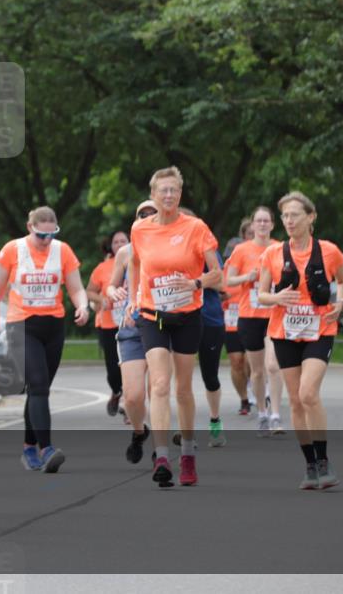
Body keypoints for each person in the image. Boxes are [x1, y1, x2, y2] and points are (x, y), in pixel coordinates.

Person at [127, 166, 221, 488]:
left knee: (182, 388)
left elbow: (217, 275)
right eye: (163, 191)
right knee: (160, 384)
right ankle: (163, 456)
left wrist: (195, 282)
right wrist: (135, 296)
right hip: (152, 315)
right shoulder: (140, 230)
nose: (168, 196)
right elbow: (136, 262)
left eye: (174, 190)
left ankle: (189, 454)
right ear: (153, 195)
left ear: (180, 194)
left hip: (187, 316)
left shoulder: (196, 228)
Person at [0, 206, 89, 473]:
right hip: (22, 326)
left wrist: (83, 306)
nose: (46, 240)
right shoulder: (12, 250)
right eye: (41, 235)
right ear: (30, 228)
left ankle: (29, 447)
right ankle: (46, 448)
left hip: (53, 326)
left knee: (40, 389)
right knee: (37, 384)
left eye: (52, 234)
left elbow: (75, 287)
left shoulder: (62, 251)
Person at [257, 191, 343, 490]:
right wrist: (277, 296)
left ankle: (324, 461)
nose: (288, 220)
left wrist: (341, 302)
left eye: (294, 214)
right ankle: (310, 464)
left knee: (309, 393)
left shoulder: (330, 252)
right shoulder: (272, 254)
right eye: (284, 215)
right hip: (285, 332)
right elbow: (261, 294)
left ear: (311, 217)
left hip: (320, 330)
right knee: (296, 400)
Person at [228, 206, 285, 436]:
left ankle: (276, 415)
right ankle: (262, 412)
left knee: (274, 366)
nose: (262, 225)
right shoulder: (241, 250)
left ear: (272, 225)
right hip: (250, 316)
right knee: (258, 371)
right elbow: (229, 281)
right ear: (252, 225)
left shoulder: (280, 248)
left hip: (275, 315)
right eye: (258, 221)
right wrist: (247, 277)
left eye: (266, 221)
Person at [106, 201, 156, 463]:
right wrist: (116, 292)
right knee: (134, 396)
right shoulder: (126, 252)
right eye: (142, 215)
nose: (147, 218)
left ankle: (161, 450)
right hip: (132, 326)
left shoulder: (170, 248)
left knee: (158, 390)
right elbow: (111, 287)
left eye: (152, 214)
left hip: (162, 324)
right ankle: (139, 432)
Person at [178, 208, 227, 449]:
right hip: (176, 318)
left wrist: (195, 283)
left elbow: (221, 280)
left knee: (210, 376)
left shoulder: (205, 245)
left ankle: (215, 422)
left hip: (208, 318)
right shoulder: (165, 247)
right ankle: (185, 431)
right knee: (179, 380)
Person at [87, 231, 130, 418]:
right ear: (110, 246)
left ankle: (130, 407)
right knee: (113, 369)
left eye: (123, 241)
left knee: (131, 366)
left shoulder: (139, 260)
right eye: (116, 241)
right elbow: (89, 291)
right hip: (108, 323)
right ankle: (116, 391)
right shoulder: (102, 268)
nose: (119, 244)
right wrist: (101, 299)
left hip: (131, 322)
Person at [223, 218, 252, 416]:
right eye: (249, 234)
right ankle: (244, 398)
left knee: (252, 360)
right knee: (236, 361)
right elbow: (221, 287)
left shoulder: (263, 259)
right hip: (232, 318)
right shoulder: (229, 264)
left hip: (253, 316)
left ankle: (257, 386)